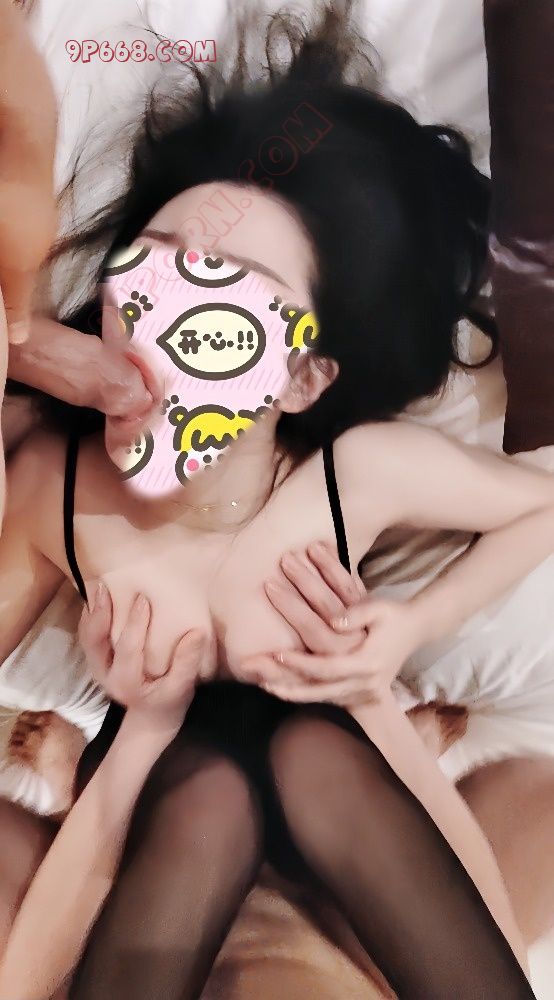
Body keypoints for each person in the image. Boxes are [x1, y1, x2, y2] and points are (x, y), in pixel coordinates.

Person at [0, 4, 549, 998]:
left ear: (302, 377)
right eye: (150, 268)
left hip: (338, 781)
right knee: (211, 787)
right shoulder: (60, 488)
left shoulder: (356, 474)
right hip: (152, 797)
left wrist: (403, 636)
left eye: (225, 295)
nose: (162, 324)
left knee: (307, 747)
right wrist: (149, 722)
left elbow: (541, 503)